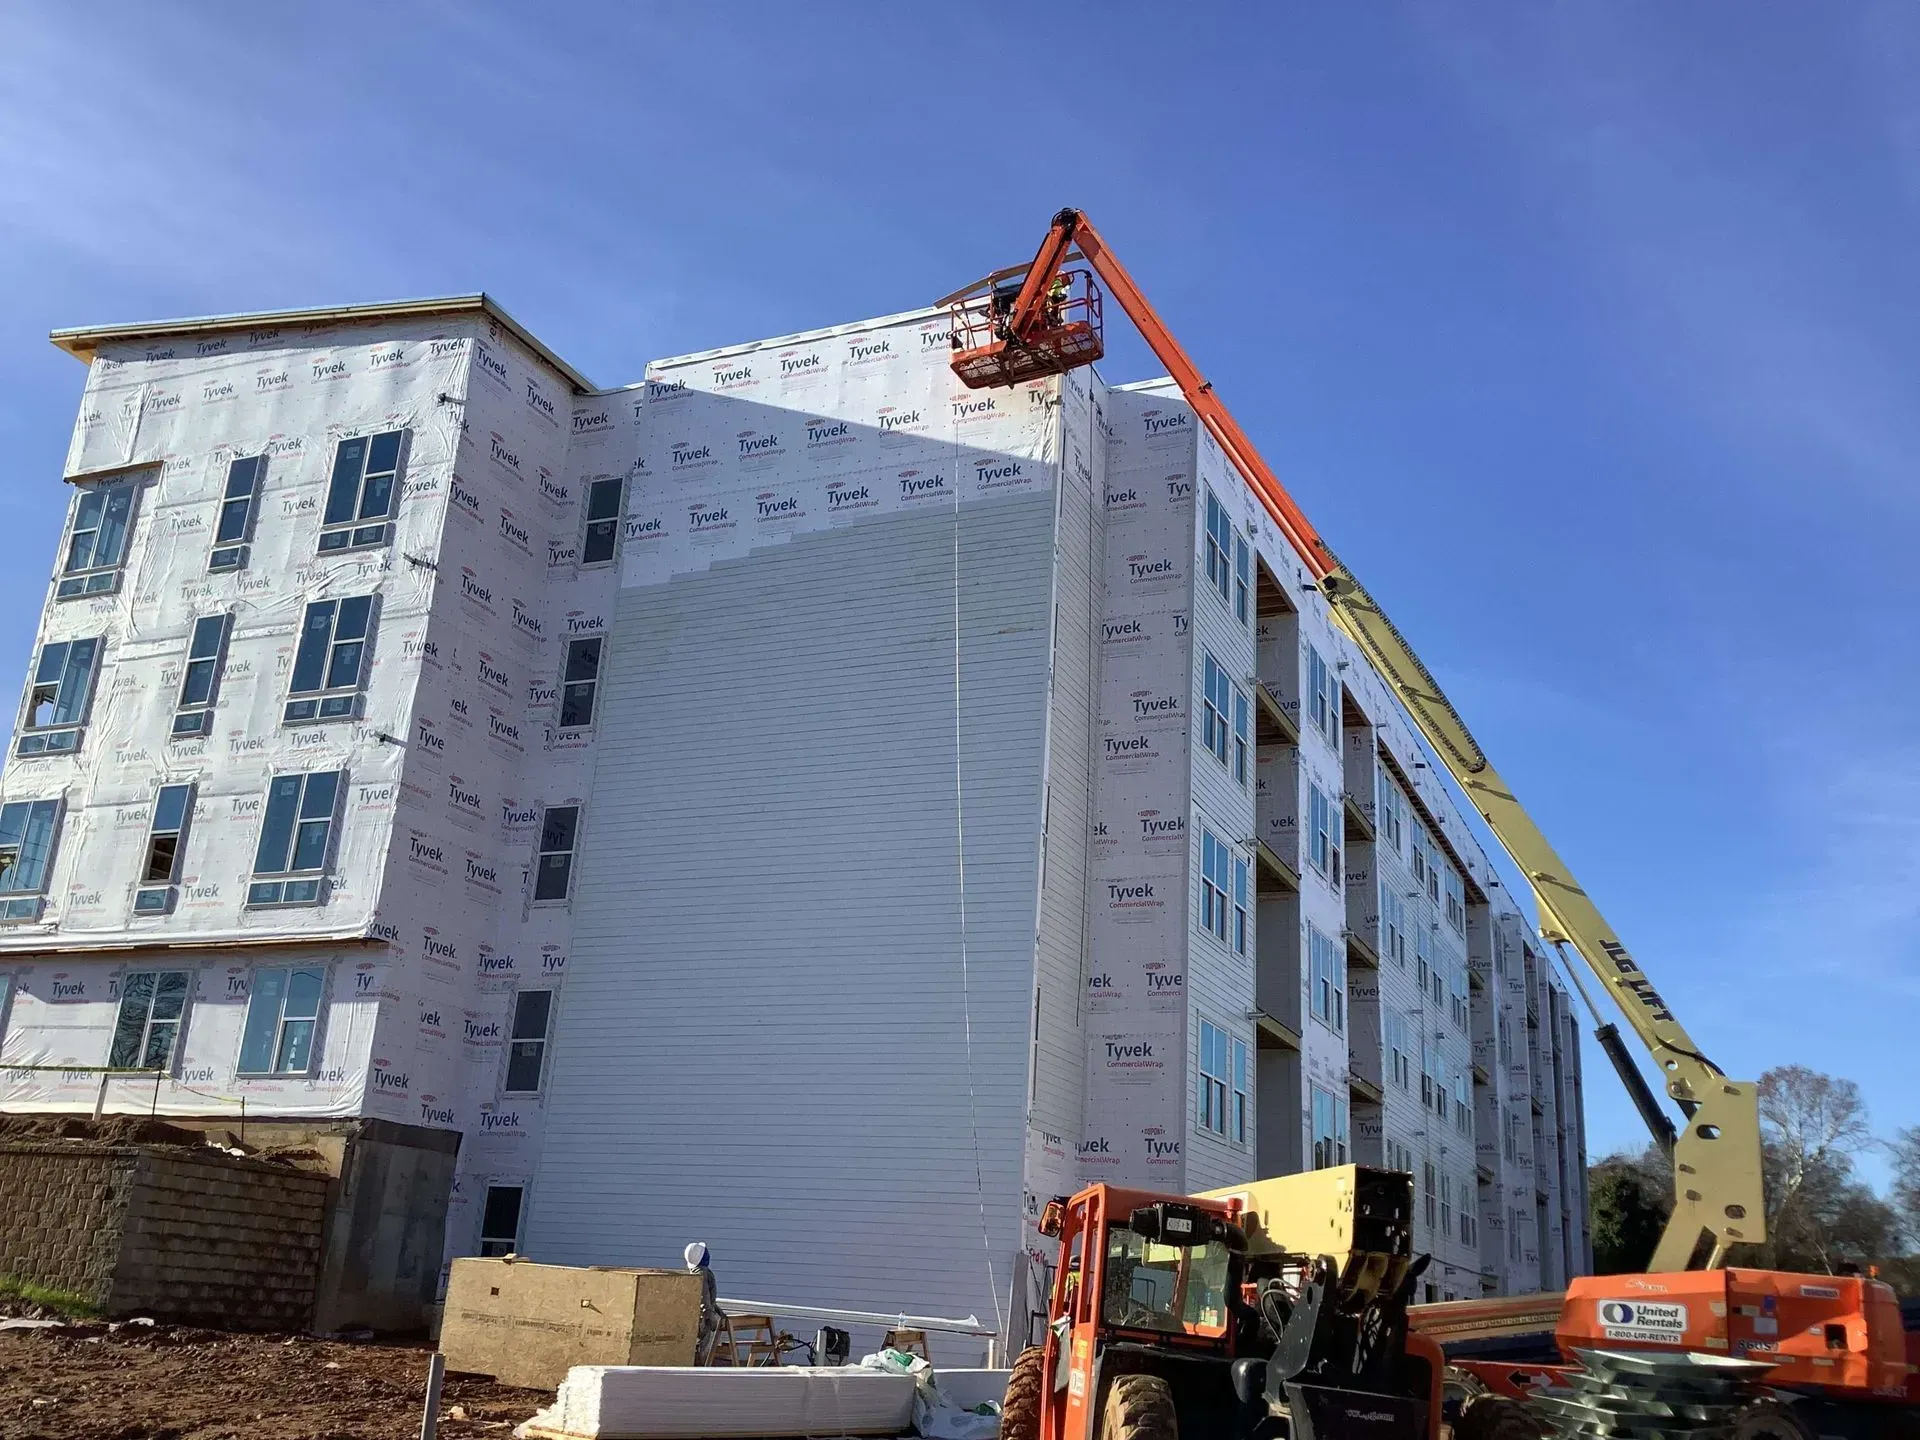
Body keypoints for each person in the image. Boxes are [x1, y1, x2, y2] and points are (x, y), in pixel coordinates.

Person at [686, 1241, 721, 1364]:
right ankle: (700, 1369)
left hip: (700, 1314)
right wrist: (710, 1315)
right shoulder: (702, 1273)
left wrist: (717, 1310)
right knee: (702, 1348)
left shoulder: (695, 1272)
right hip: (703, 1318)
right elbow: (704, 1295)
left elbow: (708, 1298)